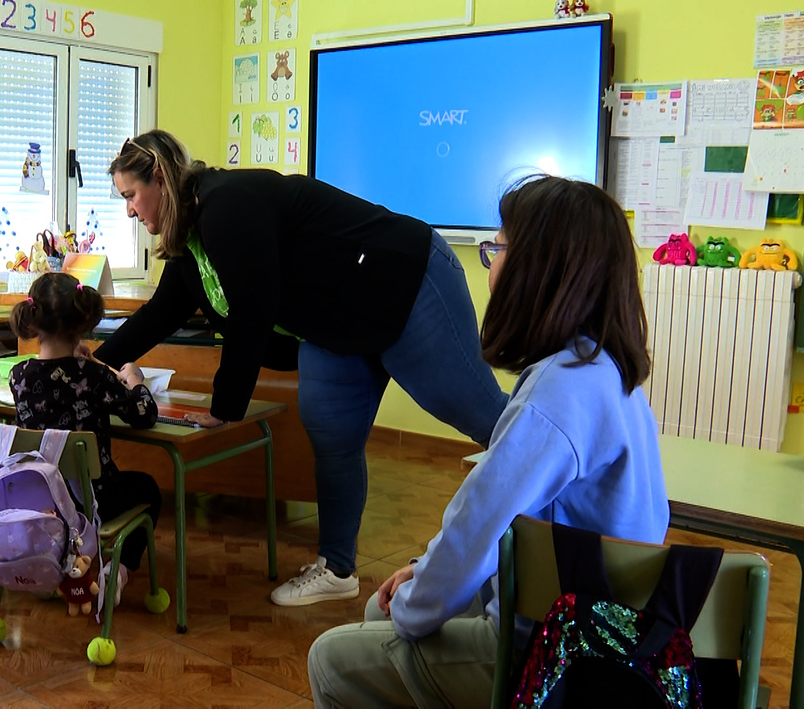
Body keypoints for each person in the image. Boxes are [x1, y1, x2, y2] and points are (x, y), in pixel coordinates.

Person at [94, 129, 510, 606]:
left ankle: (564, 510)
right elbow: (159, 314)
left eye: (131, 195)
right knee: (330, 431)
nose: (129, 209)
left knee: (477, 412)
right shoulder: (189, 239)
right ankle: (337, 569)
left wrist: (224, 407)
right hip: (334, 320)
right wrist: (88, 362)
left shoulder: (226, 206)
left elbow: (252, 309)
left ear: (161, 179)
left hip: (403, 278)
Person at [305, 175, 671, 708]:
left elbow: (477, 526)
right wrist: (423, 576)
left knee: (333, 656)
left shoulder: (557, 392)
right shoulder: (611, 373)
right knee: (383, 613)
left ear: (539, 269)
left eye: (497, 246)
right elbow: (508, 533)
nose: (490, 260)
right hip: (612, 637)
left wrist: (411, 603)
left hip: (550, 659)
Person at [8, 272, 163, 603]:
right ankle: (116, 571)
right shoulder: (92, 376)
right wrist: (134, 381)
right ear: (83, 323)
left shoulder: (18, 376)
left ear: (34, 321)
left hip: (41, 502)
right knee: (149, 489)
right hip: (93, 502)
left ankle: (64, 567)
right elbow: (144, 415)